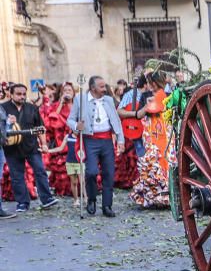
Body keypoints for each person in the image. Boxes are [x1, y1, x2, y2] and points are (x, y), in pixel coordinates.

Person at [68, 75, 125, 217]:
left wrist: (120, 140)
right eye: (101, 87)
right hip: (90, 140)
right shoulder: (80, 99)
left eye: (105, 86)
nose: (105, 89)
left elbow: (116, 121)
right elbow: (69, 119)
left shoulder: (109, 100)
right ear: (93, 88)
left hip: (106, 140)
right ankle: (91, 200)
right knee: (91, 172)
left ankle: (107, 205)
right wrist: (76, 125)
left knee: (108, 174)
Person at [1, 83, 58, 213]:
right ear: (11, 94)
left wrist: (44, 144)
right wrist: (7, 123)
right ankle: (22, 203)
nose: (22, 96)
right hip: (12, 148)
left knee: (40, 171)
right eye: (18, 94)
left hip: (31, 146)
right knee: (17, 176)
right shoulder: (3, 108)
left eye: (24, 94)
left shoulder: (32, 108)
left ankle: (47, 199)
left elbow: (41, 128)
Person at [130, 72, 171, 208]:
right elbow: (139, 115)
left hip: (165, 133)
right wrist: (147, 106)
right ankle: (152, 197)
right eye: (148, 82)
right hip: (150, 133)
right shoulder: (145, 96)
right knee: (152, 163)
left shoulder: (169, 95)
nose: (149, 85)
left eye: (151, 82)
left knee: (166, 162)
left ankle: (167, 197)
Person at [43, 131, 81, 207]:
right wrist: (49, 151)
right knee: (74, 182)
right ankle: (76, 200)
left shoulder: (82, 136)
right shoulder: (68, 136)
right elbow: (60, 148)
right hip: (70, 162)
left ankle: (87, 199)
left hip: (80, 161)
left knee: (82, 181)